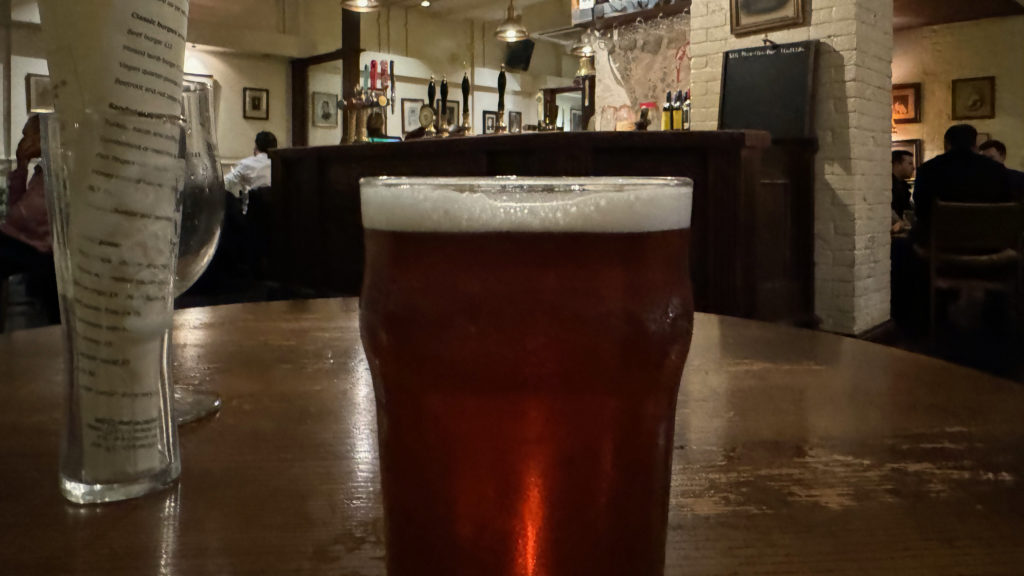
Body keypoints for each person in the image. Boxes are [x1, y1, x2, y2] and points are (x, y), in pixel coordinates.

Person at [1, 115, 59, 324]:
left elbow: (28, 215)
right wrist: (21, 166)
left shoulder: (58, 172)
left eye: (28, 135)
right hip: (17, 240)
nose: (22, 141)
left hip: (38, 249)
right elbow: (14, 209)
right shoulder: (40, 172)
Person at [912, 124, 1010, 244]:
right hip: (988, 244)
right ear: (975, 145)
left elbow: (921, 210)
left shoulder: (927, 169)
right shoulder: (997, 170)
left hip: (939, 244)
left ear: (947, 144)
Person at [224, 131, 276, 197]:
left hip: (253, 205)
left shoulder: (247, 164)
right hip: (279, 206)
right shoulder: (282, 165)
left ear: (256, 146)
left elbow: (225, 183)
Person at [891, 149, 915, 220]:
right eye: (910, 163)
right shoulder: (888, 186)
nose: (913, 167)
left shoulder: (903, 185)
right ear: (897, 164)